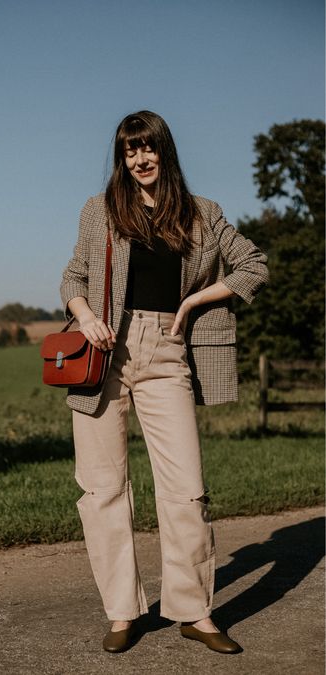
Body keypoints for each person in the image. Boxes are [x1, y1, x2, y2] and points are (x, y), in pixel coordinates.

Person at [59, 110, 269, 654]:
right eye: (130, 151)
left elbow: (253, 264)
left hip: (167, 351)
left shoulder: (203, 213)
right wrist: (84, 316)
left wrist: (196, 299)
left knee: (185, 490)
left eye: (147, 148)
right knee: (102, 489)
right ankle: (122, 610)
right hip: (102, 353)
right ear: (121, 158)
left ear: (164, 151)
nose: (139, 159)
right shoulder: (99, 210)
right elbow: (72, 277)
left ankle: (193, 611)